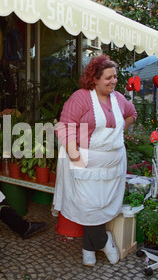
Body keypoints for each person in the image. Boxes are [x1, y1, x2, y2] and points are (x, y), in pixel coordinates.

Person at [53, 55, 137, 267]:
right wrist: (75, 156)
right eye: (108, 77)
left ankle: (88, 247)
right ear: (95, 79)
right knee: (89, 206)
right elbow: (65, 128)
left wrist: (118, 133)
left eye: (115, 77)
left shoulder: (118, 99)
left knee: (103, 204)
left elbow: (132, 113)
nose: (113, 81)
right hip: (85, 162)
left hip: (113, 165)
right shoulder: (80, 98)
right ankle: (103, 240)